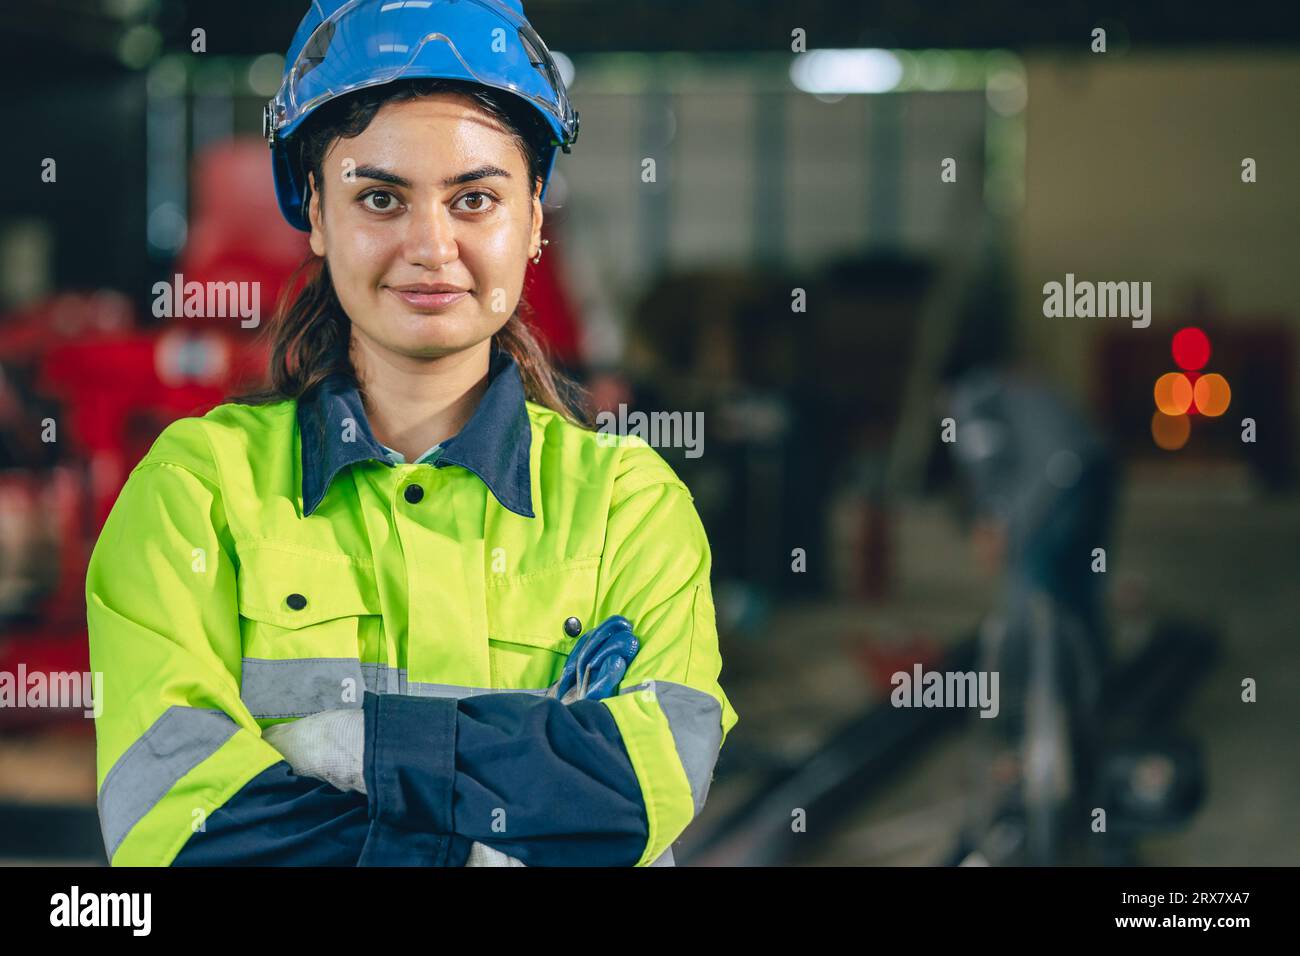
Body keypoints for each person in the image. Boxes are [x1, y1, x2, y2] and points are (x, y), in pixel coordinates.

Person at [85, 0, 737, 867]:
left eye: (475, 199)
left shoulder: (631, 507)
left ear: (536, 218)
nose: (431, 247)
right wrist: (476, 843)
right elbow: (174, 821)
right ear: (315, 214)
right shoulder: (195, 495)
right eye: (381, 197)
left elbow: (651, 783)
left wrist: (362, 752)